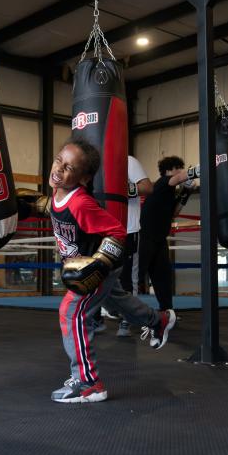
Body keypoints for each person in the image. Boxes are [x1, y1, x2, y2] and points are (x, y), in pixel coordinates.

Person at [24, 138, 175, 404]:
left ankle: (88, 383)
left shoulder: (81, 203)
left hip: (99, 266)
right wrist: (20, 206)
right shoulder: (60, 194)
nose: (59, 169)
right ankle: (158, 321)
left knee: (71, 313)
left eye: (69, 167)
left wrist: (100, 263)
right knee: (118, 303)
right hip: (100, 268)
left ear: (83, 178)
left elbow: (116, 231)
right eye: (59, 160)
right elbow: (51, 207)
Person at [93, 155, 153, 336]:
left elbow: (148, 187)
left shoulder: (128, 161)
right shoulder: (92, 163)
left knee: (127, 277)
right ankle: (95, 319)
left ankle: (127, 320)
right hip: (100, 230)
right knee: (94, 274)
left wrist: (120, 189)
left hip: (128, 229)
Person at [139, 156, 196, 312]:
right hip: (145, 237)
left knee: (163, 276)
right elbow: (177, 178)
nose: (180, 171)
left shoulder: (169, 192)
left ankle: (167, 311)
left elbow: (175, 212)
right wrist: (198, 170)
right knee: (135, 276)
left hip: (159, 239)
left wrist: (186, 192)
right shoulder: (162, 183)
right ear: (168, 171)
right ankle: (117, 310)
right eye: (177, 168)